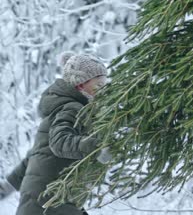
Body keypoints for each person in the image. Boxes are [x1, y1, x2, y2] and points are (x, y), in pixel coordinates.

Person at [0, 52, 112, 215]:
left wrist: (9, 185)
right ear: (80, 85)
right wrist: (96, 148)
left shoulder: (66, 110)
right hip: (49, 200)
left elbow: (38, 155)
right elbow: (59, 142)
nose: (104, 90)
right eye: (99, 85)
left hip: (51, 197)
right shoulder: (72, 109)